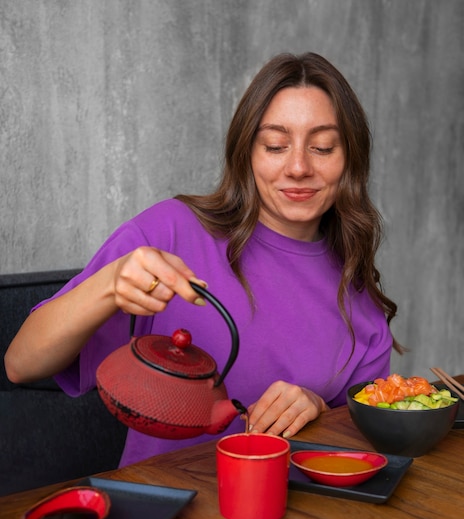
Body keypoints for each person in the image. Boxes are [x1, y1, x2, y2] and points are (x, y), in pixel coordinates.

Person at [5, 52, 402, 467]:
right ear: (247, 153)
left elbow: (364, 454)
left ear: (349, 159)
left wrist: (319, 409)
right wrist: (109, 285)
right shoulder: (169, 233)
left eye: (322, 147)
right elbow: (20, 364)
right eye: (275, 145)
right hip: (163, 515)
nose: (298, 166)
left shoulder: (357, 295)